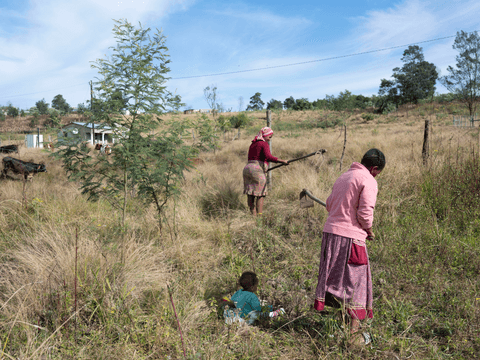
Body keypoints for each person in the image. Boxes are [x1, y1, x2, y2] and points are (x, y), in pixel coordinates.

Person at [313, 148, 386, 345]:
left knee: (336, 282)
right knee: (356, 284)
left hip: (330, 235)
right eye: (378, 172)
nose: (377, 175)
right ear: (374, 168)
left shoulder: (343, 177)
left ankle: (341, 327)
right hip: (351, 239)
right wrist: (369, 230)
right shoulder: (369, 180)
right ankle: (353, 337)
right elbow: (364, 214)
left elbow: (329, 204)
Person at [243, 127, 289, 215]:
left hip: (247, 169)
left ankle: (252, 215)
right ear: (265, 135)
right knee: (260, 194)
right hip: (256, 170)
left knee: (250, 193)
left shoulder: (252, 144)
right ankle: (259, 217)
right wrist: (282, 161)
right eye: (269, 137)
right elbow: (268, 157)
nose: (269, 139)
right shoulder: (263, 144)